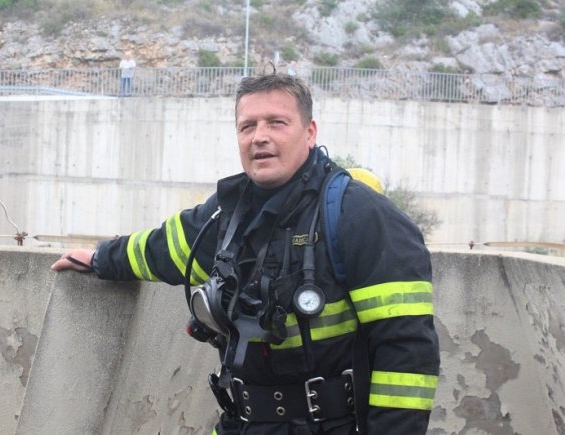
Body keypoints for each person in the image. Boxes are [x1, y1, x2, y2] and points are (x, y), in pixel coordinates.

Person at [52, 73, 440, 434]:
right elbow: (165, 248)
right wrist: (101, 258)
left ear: (309, 132)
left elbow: (406, 352)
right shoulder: (228, 213)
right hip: (244, 423)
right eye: (247, 126)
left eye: (276, 123)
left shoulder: (361, 215)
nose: (259, 137)